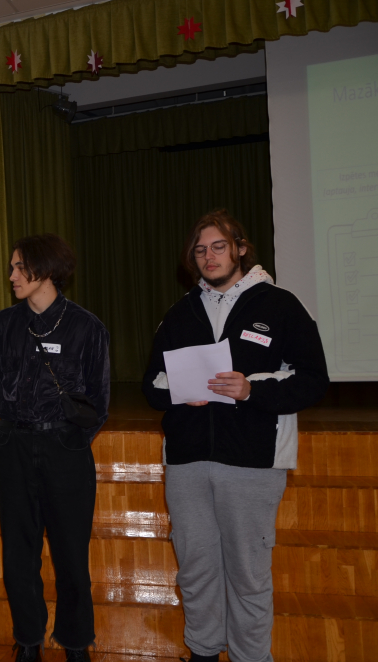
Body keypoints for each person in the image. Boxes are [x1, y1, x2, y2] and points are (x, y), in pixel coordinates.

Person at [142, 210, 329, 662]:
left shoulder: (280, 305)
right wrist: (179, 393)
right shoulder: (179, 313)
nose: (209, 256)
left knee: (248, 574)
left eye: (219, 247)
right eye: (200, 250)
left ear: (241, 249)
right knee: (196, 569)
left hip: (253, 461)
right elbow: (151, 386)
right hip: (186, 461)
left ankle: (251, 657)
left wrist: (251, 390)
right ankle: (203, 651)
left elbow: (313, 380)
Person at [0, 234, 110, 662]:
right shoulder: (3, 325)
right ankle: (28, 640)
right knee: (18, 555)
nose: (12, 275)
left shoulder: (87, 327)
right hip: (15, 447)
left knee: (71, 554)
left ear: (47, 270)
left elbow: (98, 402)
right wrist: (22, 432)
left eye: (20, 267)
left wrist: (67, 440)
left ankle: (76, 643)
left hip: (65, 450)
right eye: (12, 267)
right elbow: (0, 397)